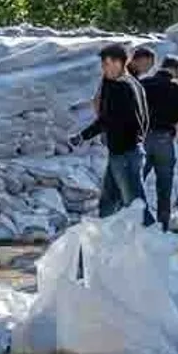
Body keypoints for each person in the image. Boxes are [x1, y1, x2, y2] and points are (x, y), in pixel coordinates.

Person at [70, 43, 150, 222]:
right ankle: (104, 239)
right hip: (127, 151)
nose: (103, 69)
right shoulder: (134, 84)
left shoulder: (119, 87)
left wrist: (82, 136)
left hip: (124, 154)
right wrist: (139, 139)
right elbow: (145, 117)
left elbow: (106, 120)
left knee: (135, 205)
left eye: (105, 64)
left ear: (117, 63)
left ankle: (154, 243)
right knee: (108, 201)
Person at [141, 55, 178, 231]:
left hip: (141, 140)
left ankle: (134, 222)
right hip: (164, 141)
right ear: (177, 69)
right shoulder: (176, 87)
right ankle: (162, 225)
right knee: (164, 186)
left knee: (136, 182)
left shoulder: (144, 84)